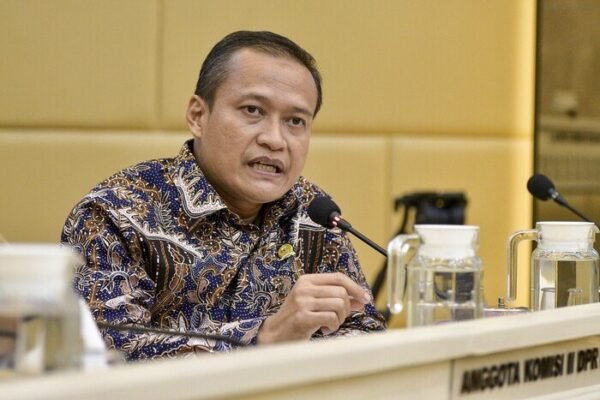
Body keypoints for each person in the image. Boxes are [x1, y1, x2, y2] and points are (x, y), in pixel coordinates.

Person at [61, 30, 385, 360]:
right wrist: (265, 338)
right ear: (198, 116)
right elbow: (106, 356)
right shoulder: (116, 214)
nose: (275, 139)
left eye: (295, 121)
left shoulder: (315, 214)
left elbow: (366, 332)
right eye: (253, 110)